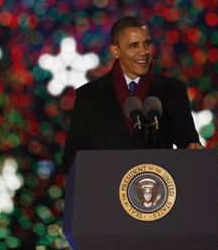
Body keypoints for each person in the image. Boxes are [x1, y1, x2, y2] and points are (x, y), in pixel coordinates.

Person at [62, 16, 203, 173]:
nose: (144, 52)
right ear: (115, 51)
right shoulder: (89, 96)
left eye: (147, 43)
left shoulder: (173, 91)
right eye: (134, 46)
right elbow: (72, 159)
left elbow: (190, 145)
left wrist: (194, 150)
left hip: (158, 190)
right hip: (106, 191)